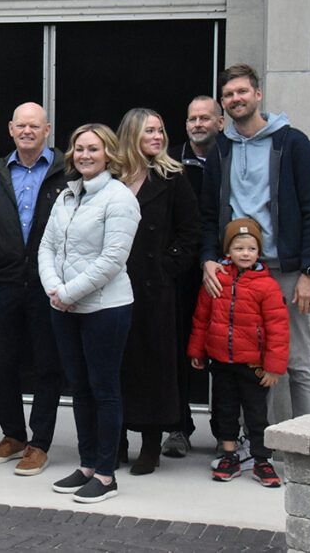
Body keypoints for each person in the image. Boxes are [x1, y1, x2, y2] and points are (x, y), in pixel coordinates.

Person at [201, 64, 310, 419]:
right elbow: (210, 214)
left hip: (286, 268)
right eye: (228, 94)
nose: (235, 99)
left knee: (297, 359)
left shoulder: (293, 144)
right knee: (251, 361)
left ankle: (309, 443)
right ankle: (259, 447)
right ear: (222, 103)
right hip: (239, 271)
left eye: (242, 91)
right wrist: (209, 258)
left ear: (257, 95)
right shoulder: (221, 150)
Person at [38, 124, 140, 504]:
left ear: (109, 154)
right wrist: (54, 290)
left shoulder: (120, 198)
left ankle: (106, 474)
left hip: (104, 309)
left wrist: (67, 293)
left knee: (104, 390)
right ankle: (85, 466)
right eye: (79, 148)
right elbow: (47, 246)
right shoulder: (67, 195)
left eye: (93, 149)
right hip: (64, 307)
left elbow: (112, 260)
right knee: (79, 387)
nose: (84, 155)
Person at [0, 102, 67, 476]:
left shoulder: (65, 172)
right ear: (11, 129)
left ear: (47, 130)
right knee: (2, 362)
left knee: (47, 364)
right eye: (21, 126)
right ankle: (13, 436)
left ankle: (39, 443)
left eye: (35, 126)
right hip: (4, 282)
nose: (27, 131)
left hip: (48, 285)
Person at [116, 108, 200, 475]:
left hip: (155, 290)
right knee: (116, 362)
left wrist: (167, 267)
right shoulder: (111, 177)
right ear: (132, 134)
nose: (158, 136)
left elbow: (191, 232)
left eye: (161, 130)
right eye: (150, 130)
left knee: (152, 365)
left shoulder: (172, 176)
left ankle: (150, 444)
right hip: (114, 285)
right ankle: (115, 439)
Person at [189, 218, 288, 488]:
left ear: (259, 252)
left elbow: (278, 329)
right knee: (225, 410)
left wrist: (274, 366)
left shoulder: (267, 286)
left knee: (256, 413)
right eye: (239, 248)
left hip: (253, 364)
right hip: (221, 360)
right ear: (227, 252)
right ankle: (229, 455)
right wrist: (198, 351)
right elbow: (201, 318)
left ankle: (261, 459)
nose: (245, 254)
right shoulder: (216, 279)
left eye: (251, 249)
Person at [163, 96, 224, 459]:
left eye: (205, 118)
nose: (197, 124)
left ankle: (228, 432)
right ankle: (178, 428)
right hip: (183, 274)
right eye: (191, 118)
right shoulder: (169, 162)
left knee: (228, 351)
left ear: (220, 123)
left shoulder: (232, 158)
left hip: (225, 269)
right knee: (178, 350)